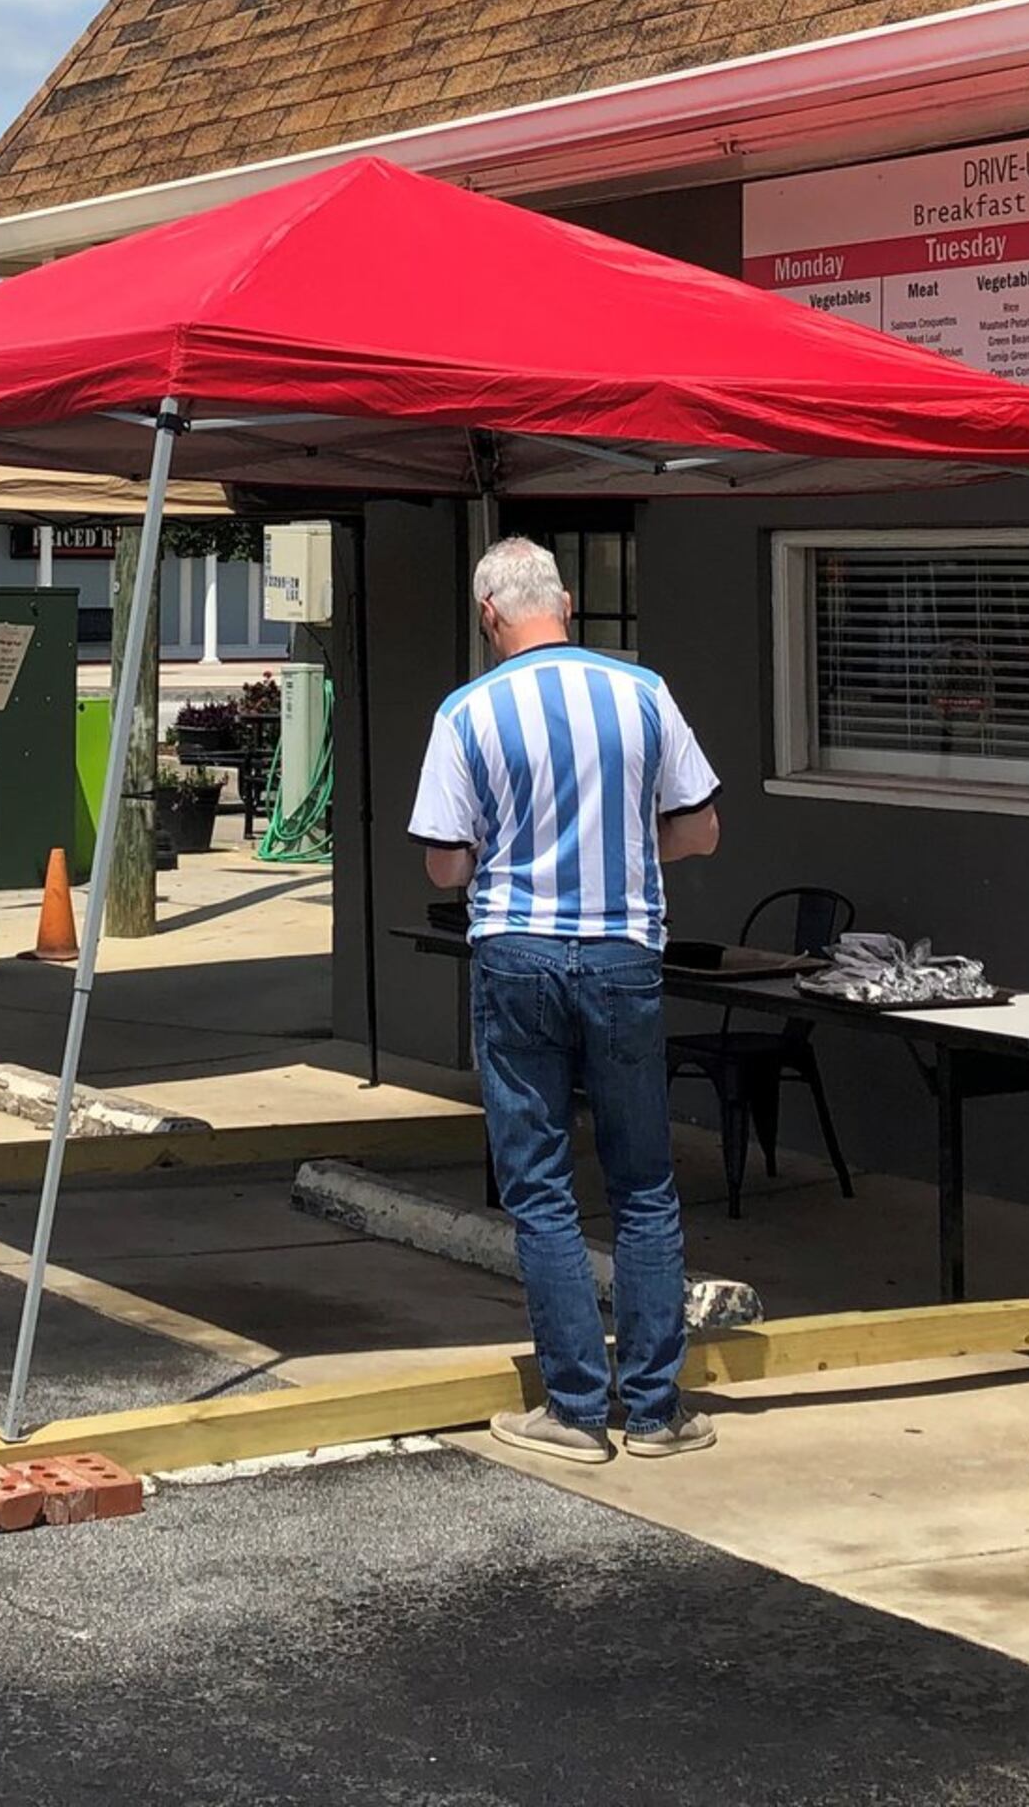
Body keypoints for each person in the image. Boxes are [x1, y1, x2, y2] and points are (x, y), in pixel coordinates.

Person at [410, 535, 723, 1463]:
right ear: (569, 602)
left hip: (517, 953)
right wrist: (623, 850)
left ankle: (578, 1409)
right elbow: (700, 829)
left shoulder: (466, 711)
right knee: (644, 1183)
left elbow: (444, 859)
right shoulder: (644, 692)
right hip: (625, 950)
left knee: (540, 1186)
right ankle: (659, 1409)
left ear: (488, 615)